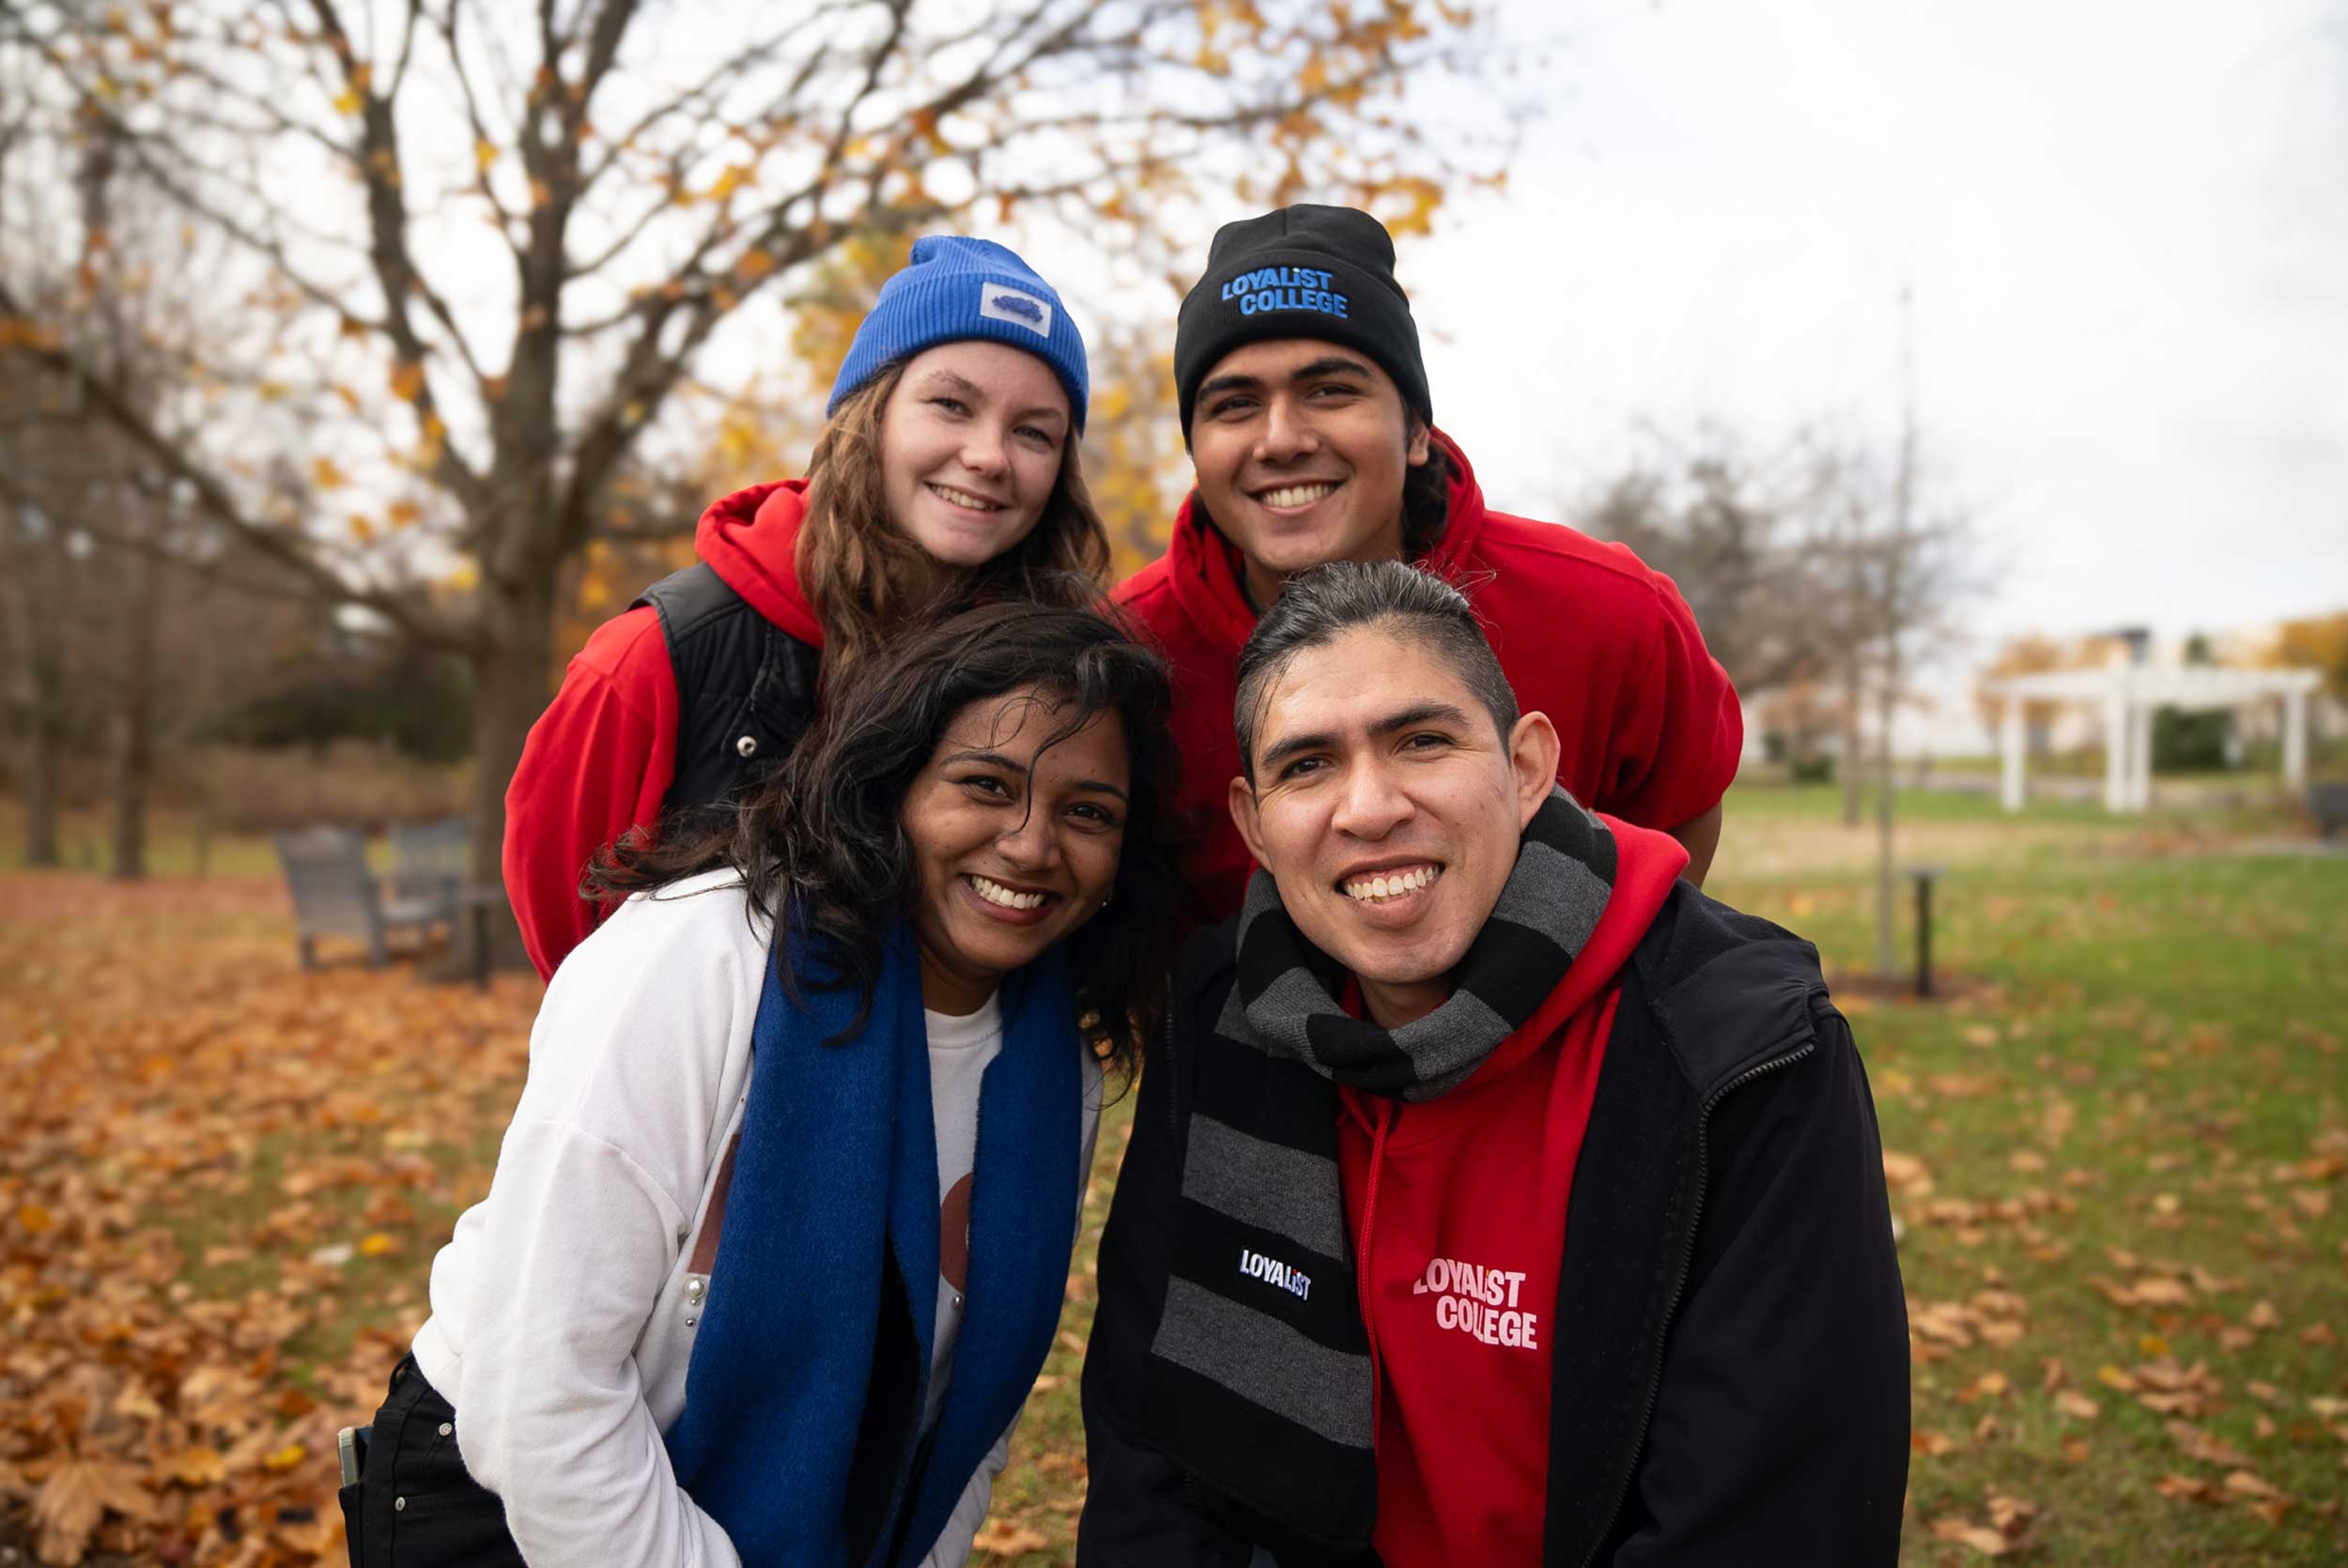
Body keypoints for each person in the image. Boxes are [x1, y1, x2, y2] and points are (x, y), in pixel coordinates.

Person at [1078, 562, 1908, 1567]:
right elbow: (1149, 1445)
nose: (1370, 806)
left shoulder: (1741, 1049)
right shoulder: (1224, 1014)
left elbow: (1772, 1518)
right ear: (1253, 823)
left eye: (1421, 740)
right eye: (1307, 766)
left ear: (1527, 767)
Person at [347, 602, 1180, 1567]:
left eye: (1088, 812)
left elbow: (961, 1417)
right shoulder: (700, 957)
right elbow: (539, 1379)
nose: (1032, 845)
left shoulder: (1051, 1074)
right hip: (512, 1493)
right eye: (984, 785)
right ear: (892, 786)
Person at [1116, 204, 1743, 926]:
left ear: (1416, 429)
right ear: (1195, 448)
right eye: (1235, 404)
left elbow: (1683, 815)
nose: (1280, 439)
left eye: (1330, 391)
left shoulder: (1605, 611)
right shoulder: (1124, 656)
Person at [505, 235, 1109, 979]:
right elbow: (571, 931)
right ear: (872, 417)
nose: (989, 455)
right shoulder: (656, 657)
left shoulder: (1063, 677)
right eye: (951, 405)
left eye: (1033, 432)